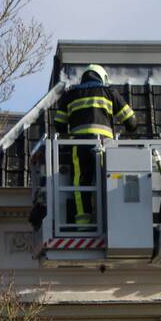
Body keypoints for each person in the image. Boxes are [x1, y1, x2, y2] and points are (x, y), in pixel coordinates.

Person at [53, 64, 137, 225]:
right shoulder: (109, 92)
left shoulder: (71, 94)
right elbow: (131, 121)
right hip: (105, 146)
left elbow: (59, 124)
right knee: (108, 178)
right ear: (102, 77)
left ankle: (83, 221)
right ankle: (110, 219)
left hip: (79, 145)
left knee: (79, 180)